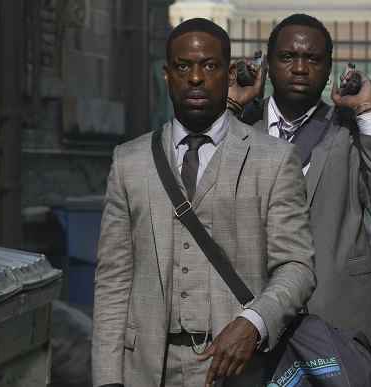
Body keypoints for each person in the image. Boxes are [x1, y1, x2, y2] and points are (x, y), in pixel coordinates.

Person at [91, 17, 316, 387]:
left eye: (209, 66)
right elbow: (114, 279)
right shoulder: (129, 161)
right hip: (146, 368)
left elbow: (297, 265)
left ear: (228, 75)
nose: (196, 77)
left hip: (237, 369)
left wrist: (253, 321)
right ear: (167, 75)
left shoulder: (274, 159)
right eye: (184, 66)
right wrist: (107, 379)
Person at [229, 13, 371, 345]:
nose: (300, 68)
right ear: (266, 66)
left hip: (337, 320)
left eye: (313, 59)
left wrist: (366, 113)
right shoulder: (238, 129)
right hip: (249, 318)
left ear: (329, 69)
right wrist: (230, 105)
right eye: (288, 57)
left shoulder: (350, 131)